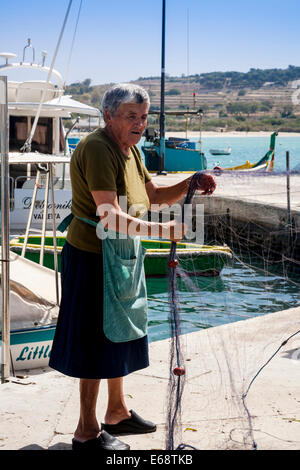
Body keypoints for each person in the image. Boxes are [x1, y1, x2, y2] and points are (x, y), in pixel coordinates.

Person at [49, 83, 216, 451]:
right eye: (131, 116)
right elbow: (108, 216)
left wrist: (191, 181)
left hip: (121, 254)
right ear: (108, 116)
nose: (140, 124)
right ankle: (86, 432)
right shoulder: (96, 147)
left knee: (117, 333)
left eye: (143, 117)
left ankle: (117, 412)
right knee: (95, 343)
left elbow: (153, 197)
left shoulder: (131, 150)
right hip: (93, 256)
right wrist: (165, 230)